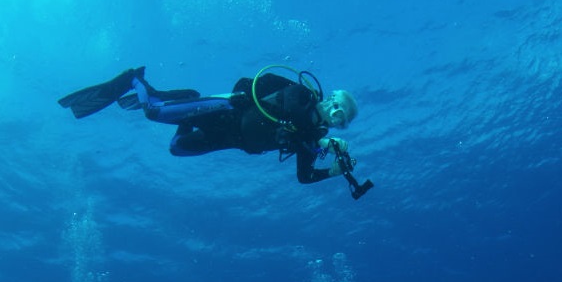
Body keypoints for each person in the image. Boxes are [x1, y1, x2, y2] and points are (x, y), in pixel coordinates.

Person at [58, 66, 371, 194]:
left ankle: (184, 101)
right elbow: (291, 110)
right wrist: (323, 141)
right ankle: (133, 80)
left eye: (342, 121)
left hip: (230, 139)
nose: (335, 118)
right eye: (338, 109)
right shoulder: (301, 95)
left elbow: (305, 176)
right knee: (153, 112)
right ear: (331, 99)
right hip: (225, 110)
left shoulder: (311, 137)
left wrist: (332, 171)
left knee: (177, 148)